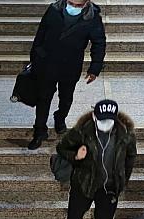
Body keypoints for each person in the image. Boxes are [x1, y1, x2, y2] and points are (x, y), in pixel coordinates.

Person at [57, 99, 137, 219]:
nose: (105, 124)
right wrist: (76, 156)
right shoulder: (81, 131)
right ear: (94, 116)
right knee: (75, 211)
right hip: (85, 182)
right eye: (101, 120)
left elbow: (130, 157)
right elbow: (62, 148)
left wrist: (123, 180)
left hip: (109, 188)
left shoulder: (126, 135)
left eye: (109, 120)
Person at [27, 0, 106, 150]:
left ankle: (60, 117)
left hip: (71, 65)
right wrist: (35, 58)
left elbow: (99, 42)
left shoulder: (93, 16)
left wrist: (94, 68)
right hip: (47, 63)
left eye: (78, 5)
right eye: (71, 3)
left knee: (66, 98)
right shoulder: (54, 10)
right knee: (43, 98)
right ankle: (39, 132)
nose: (74, 7)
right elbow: (41, 34)